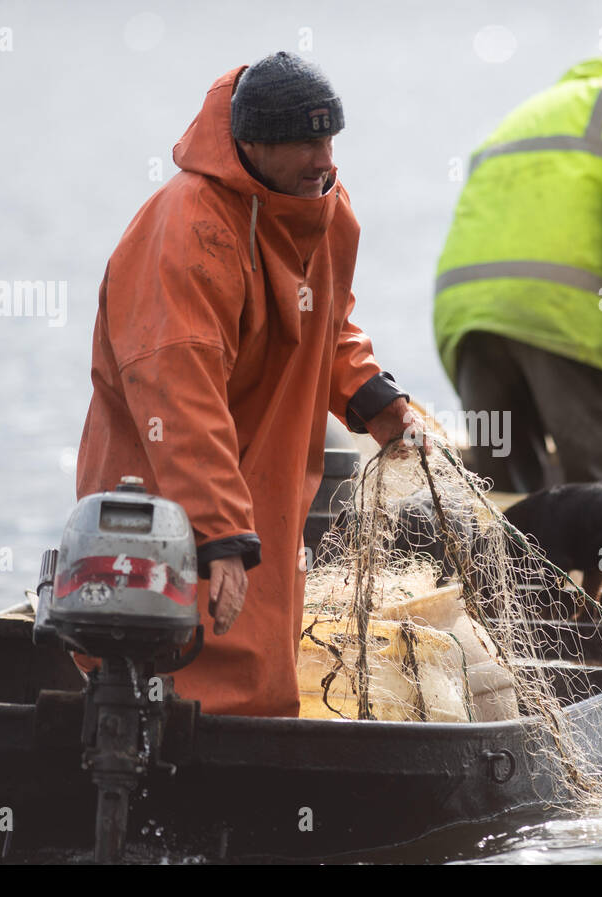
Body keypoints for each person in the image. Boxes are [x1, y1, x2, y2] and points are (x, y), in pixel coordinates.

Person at [76, 53, 416, 717]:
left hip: (267, 481)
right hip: (162, 482)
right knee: (184, 664)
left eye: (330, 139)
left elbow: (326, 322)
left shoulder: (327, 209)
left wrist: (371, 396)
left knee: (263, 670)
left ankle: (253, 783)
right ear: (254, 145)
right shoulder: (188, 228)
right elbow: (179, 395)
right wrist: (216, 534)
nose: (324, 159)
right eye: (305, 143)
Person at [433, 53, 602, 492]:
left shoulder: (527, 112)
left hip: (468, 319)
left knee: (508, 508)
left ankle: (516, 561)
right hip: (566, 312)